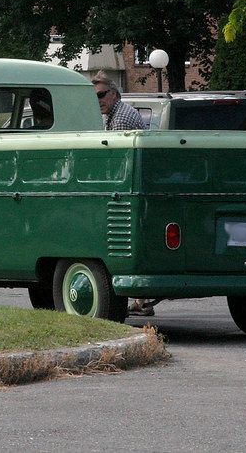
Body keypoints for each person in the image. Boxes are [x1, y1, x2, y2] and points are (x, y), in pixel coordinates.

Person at [93, 76, 151, 317]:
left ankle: (140, 300)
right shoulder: (116, 114)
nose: (98, 101)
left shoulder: (121, 118)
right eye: (94, 96)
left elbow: (117, 160)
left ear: (114, 94)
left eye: (101, 95)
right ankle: (143, 301)